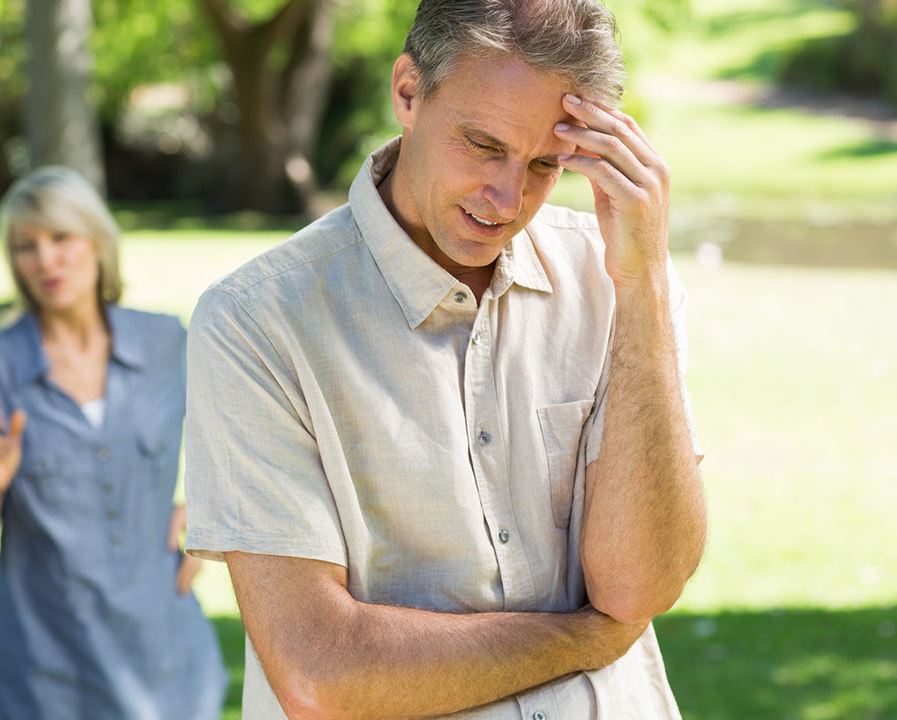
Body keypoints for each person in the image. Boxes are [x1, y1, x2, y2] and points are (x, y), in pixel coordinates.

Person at [184, 0, 707, 717]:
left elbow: (639, 588)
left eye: (547, 164)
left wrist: (642, 287)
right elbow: (319, 671)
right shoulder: (257, 322)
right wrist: (589, 639)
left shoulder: (617, 280)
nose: (507, 197)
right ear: (407, 91)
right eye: (484, 146)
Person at [0, 166, 226, 719]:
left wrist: (208, 511)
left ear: (98, 242)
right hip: (48, 673)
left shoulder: (167, 340)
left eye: (61, 238)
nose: (46, 261)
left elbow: (247, 445)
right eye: (26, 246)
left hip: (166, 659)